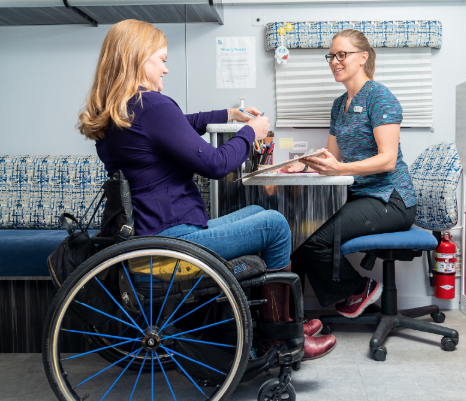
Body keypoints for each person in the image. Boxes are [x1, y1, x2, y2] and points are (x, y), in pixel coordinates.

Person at [76, 19, 336, 360]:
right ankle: (278, 337)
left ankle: (283, 321)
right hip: (171, 241)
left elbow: (177, 124)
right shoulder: (152, 106)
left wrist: (228, 113)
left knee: (258, 213)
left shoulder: (119, 111)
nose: (166, 69)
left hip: (147, 238)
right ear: (138, 59)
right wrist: (251, 132)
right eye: (162, 59)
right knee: (275, 225)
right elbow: (215, 165)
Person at [282, 29, 417, 317]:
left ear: (363, 57)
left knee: (314, 239)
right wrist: (305, 164)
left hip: (391, 200)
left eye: (342, 54)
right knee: (296, 232)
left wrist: (340, 169)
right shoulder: (338, 105)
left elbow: (387, 160)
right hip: (361, 195)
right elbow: (332, 156)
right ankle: (292, 319)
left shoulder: (380, 97)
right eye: (331, 56)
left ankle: (358, 289)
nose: (334, 61)